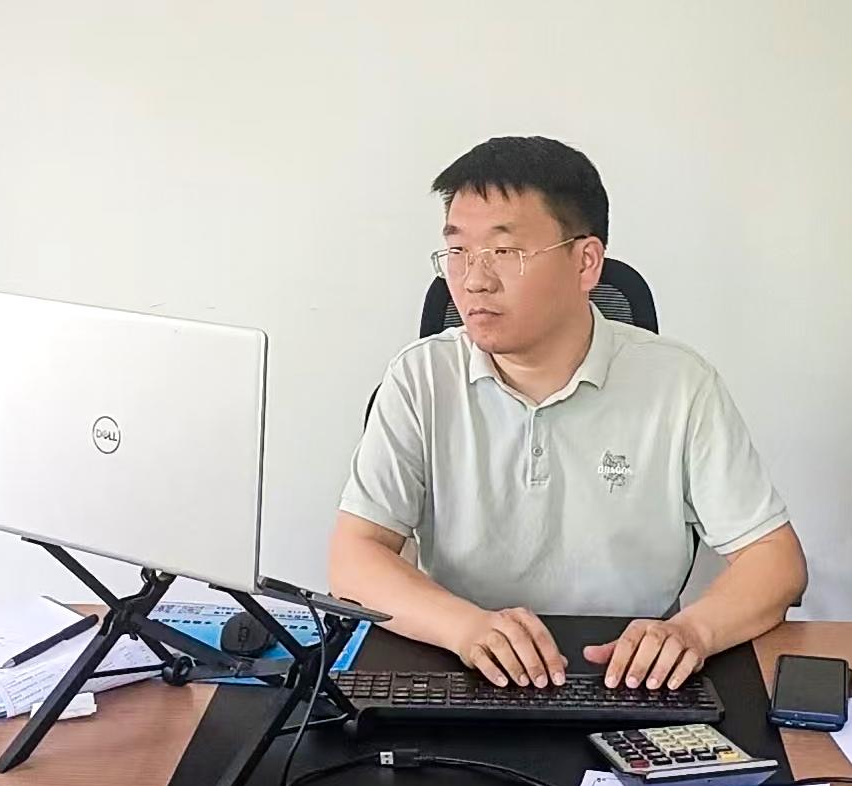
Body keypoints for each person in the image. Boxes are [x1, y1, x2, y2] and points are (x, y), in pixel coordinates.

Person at [328, 136, 807, 692]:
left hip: (630, 674)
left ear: (585, 263)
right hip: (462, 665)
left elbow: (775, 561)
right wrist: (466, 628)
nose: (474, 279)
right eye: (458, 251)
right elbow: (354, 556)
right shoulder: (420, 378)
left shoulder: (680, 384)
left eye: (504, 251)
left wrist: (691, 632)